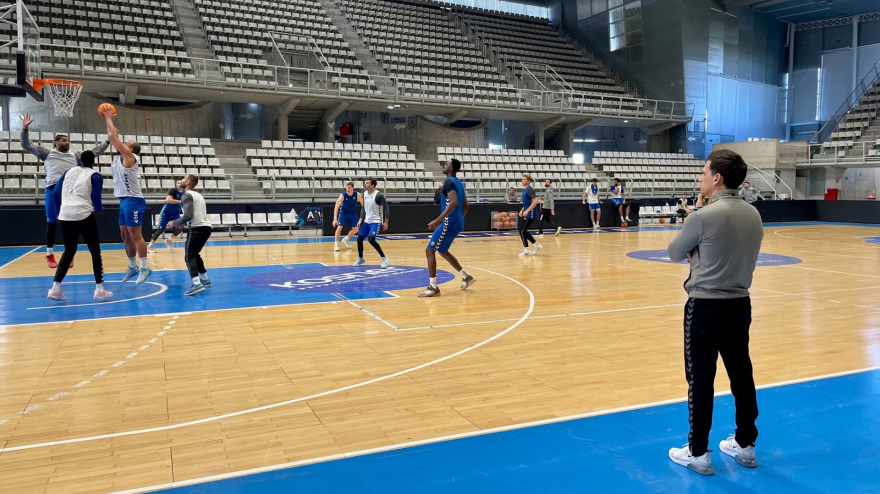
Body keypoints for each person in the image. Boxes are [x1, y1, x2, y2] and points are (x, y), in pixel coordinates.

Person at [666, 149, 764, 476]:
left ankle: (697, 452)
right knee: (741, 374)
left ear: (717, 178)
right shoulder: (753, 214)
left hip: (705, 307)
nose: (701, 177)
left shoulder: (703, 215)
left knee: (700, 379)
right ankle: (746, 444)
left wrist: (695, 213)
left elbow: (674, 253)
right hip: (740, 304)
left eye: (704, 172)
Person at [20, 113, 110, 268]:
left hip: (69, 192)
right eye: (63, 140)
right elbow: (26, 145)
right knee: (52, 221)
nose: (67, 142)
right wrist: (25, 129)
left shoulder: (75, 156)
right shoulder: (47, 153)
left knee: (68, 223)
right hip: (53, 189)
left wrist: (108, 141)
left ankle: (69, 253)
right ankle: (49, 254)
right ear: (56, 143)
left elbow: (94, 152)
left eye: (68, 140)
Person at [46, 151, 112, 301]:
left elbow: (55, 193)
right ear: (93, 161)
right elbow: (96, 196)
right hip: (83, 214)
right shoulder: (95, 175)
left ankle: (55, 288)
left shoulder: (68, 171)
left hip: (65, 214)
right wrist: (99, 209)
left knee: (68, 251)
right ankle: (99, 289)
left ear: (80, 160)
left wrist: (60, 210)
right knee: (95, 252)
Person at [102, 108, 150, 284]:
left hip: (134, 201)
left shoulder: (130, 157)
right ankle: (132, 266)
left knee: (135, 234)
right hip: (123, 200)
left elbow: (114, 138)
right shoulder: (120, 158)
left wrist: (108, 117)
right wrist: (111, 130)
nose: (122, 144)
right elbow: (112, 137)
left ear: (130, 148)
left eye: (126, 143)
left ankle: (145, 268)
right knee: (125, 234)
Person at [418, 159, 475, 298]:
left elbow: (454, 202)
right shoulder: (458, 183)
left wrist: (438, 220)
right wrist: (458, 218)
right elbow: (465, 205)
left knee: (430, 250)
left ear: (452, 168)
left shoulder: (449, 182)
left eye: (447, 164)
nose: (444, 165)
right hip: (456, 222)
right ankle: (466, 277)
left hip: (448, 222)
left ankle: (433, 287)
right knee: (442, 251)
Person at [168, 174, 212, 296]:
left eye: (183, 179)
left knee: (189, 256)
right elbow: (194, 214)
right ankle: (205, 279)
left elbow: (188, 215)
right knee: (195, 254)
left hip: (197, 228)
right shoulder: (198, 195)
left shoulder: (186, 195)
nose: (180, 180)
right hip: (206, 227)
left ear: (187, 182)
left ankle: (196, 283)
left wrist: (174, 223)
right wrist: (183, 223)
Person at [353, 178, 390, 268]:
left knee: (371, 239)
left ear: (372, 185)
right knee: (359, 239)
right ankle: (361, 258)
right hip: (367, 221)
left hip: (376, 221)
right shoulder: (365, 194)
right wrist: (360, 220)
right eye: (365, 183)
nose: (365, 184)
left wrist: (385, 222)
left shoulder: (378, 195)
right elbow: (363, 208)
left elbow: (386, 208)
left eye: (367, 183)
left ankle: (384, 258)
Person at [147, 179, 185, 253]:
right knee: (161, 229)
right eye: (178, 182)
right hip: (166, 213)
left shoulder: (184, 192)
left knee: (181, 226)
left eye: (181, 182)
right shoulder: (173, 190)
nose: (179, 183)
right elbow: (168, 200)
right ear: (176, 184)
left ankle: (169, 240)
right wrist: (180, 201)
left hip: (175, 213)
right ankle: (150, 246)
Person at [332, 182, 363, 252]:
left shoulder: (357, 194)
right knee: (339, 227)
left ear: (353, 188)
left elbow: (363, 204)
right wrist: (335, 219)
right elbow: (336, 207)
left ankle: (346, 239)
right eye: (346, 187)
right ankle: (336, 244)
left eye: (349, 188)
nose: (347, 189)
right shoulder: (343, 195)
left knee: (356, 229)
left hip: (352, 213)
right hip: (343, 213)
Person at [518, 174, 541, 256]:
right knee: (523, 231)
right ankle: (536, 245)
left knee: (522, 231)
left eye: (524, 179)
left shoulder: (529, 190)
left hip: (531, 213)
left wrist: (527, 211)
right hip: (528, 212)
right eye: (522, 179)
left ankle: (526, 249)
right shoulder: (524, 190)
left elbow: (535, 201)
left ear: (528, 181)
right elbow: (526, 203)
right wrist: (522, 210)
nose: (522, 180)